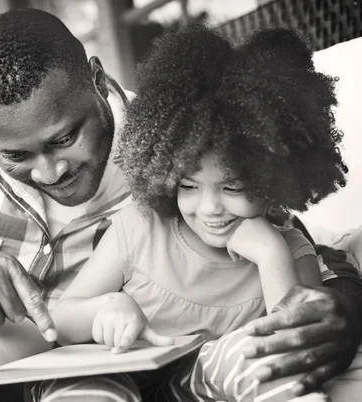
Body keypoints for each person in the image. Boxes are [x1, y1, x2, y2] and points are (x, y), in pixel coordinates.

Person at [0, 8, 359, 402]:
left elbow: (296, 244)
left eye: (64, 138)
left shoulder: (171, 147)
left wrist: (341, 308)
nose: (49, 172)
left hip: (68, 371)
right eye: (13, 157)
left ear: (96, 81)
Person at [32, 24, 359, 402]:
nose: (208, 208)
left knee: (256, 357)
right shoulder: (141, 226)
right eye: (188, 186)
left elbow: (292, 351)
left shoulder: (290, 250)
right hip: (119, 371)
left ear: (276, 180)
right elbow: (59, 323)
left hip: (200, 381)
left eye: (233, 187)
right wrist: (105, 309)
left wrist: (271, 254)